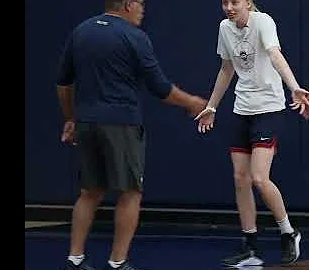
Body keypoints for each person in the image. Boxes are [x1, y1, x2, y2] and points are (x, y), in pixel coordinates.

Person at [56, 0, 207, 269]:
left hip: (87, 122)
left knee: (89, 191)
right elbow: (160, 87)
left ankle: (75, 259)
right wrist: (192, 102)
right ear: (128, 4)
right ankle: (118, 263)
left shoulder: (80, 32)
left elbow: (63, 83)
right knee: (130, 192)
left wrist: (70, 118)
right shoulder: (134, 36)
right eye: (141, 5)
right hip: (121, 124)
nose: (142, 10)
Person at [194, 0, 309, 267]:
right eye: (224, 2)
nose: (228, 7)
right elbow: (226, 69)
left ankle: (288, 232)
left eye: (235, 1)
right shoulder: (225, 27)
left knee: (260, 177)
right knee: (240, 178)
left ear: (248, 2)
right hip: (241, 108)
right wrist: (211, 106)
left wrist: (293, 86)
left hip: (268, 108)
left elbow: (274, 54)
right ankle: (250, 248)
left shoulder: (263, 22)